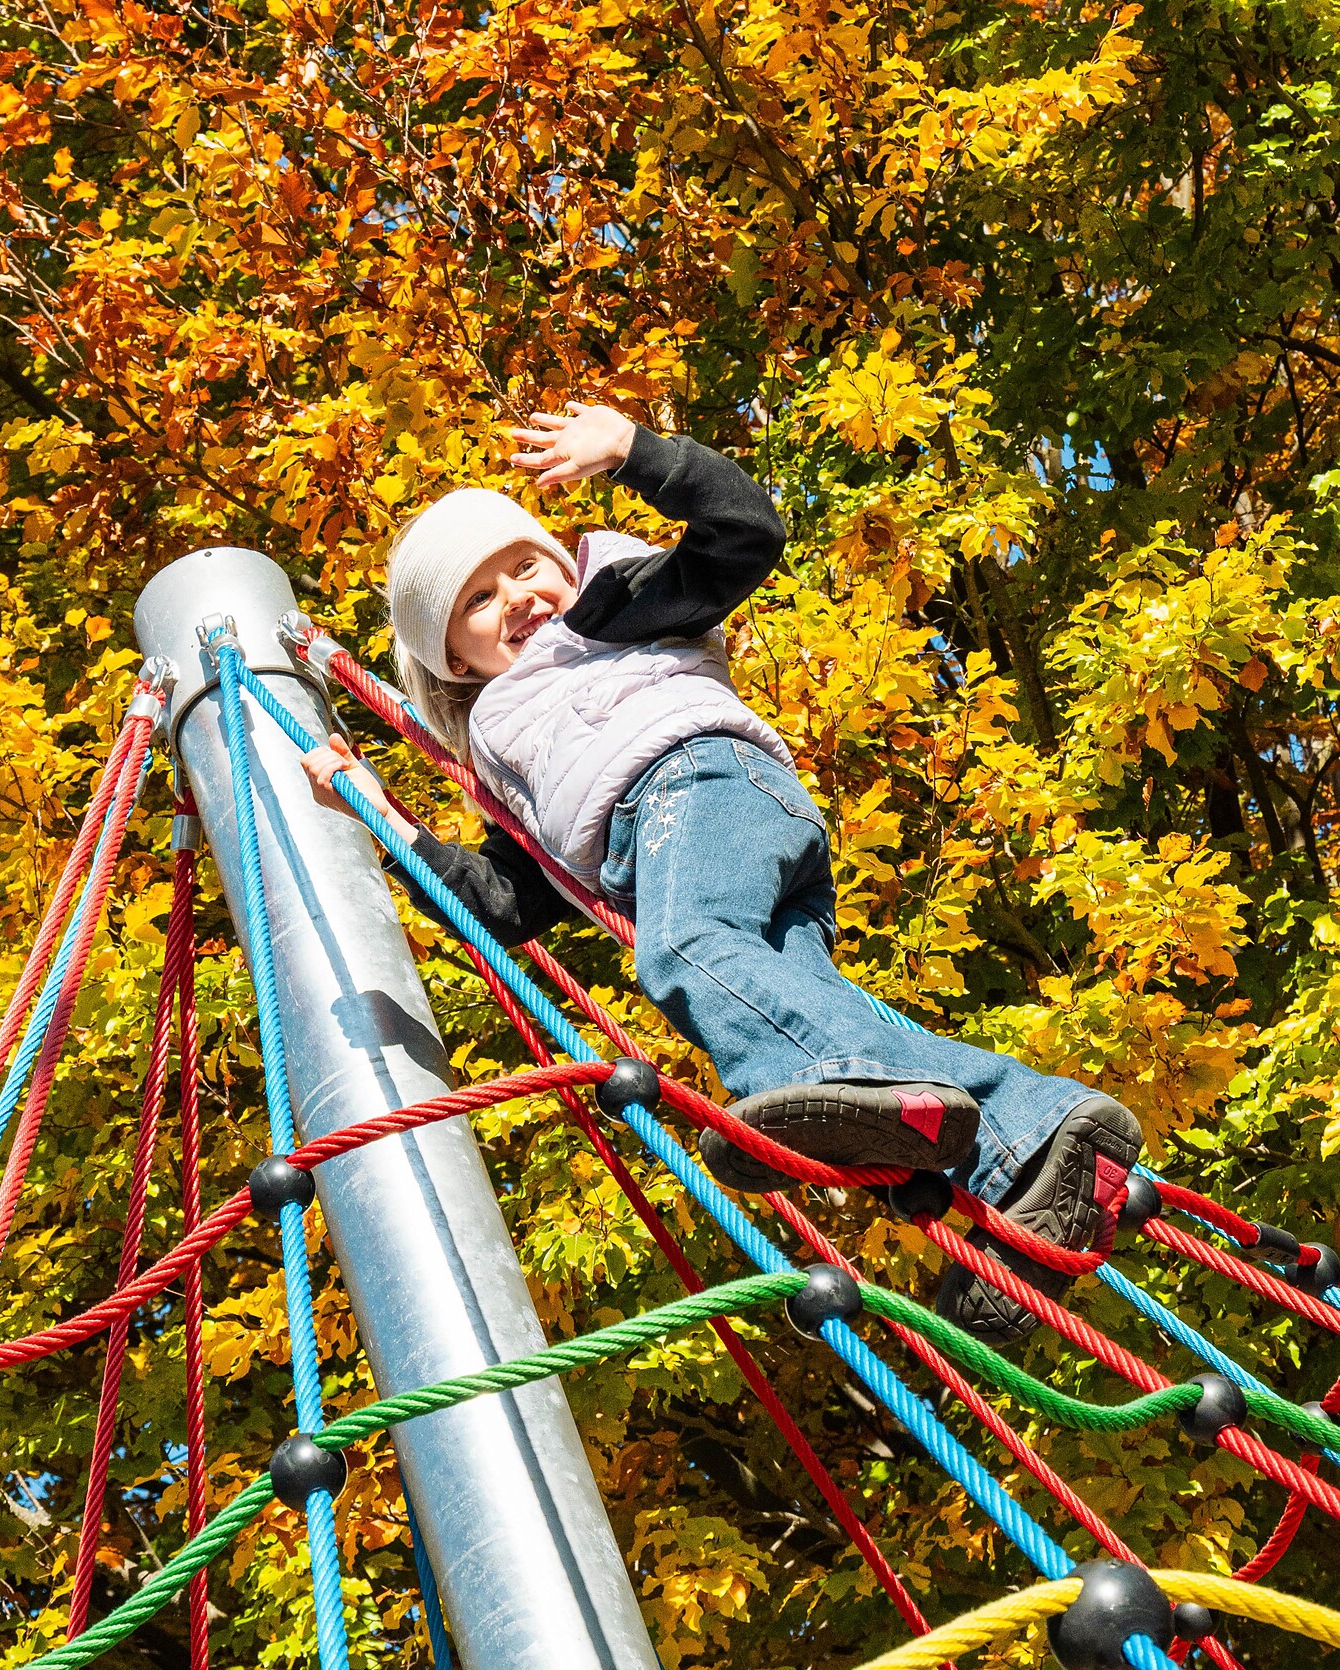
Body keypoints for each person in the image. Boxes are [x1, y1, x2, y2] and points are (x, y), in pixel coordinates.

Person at [301, 401, 1141, 1342]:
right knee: (807, 1009)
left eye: (525, 563)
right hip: (693, 839)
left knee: (688, 951)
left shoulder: (608, 611)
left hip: (698, 786)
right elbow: (499, 899)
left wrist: (634, 453)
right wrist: (378, 814)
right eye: (481, 600)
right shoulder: (505, 749)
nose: (521, 596)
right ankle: (1028, 1164)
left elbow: (744, 536)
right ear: (452, 658)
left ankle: (964, 1110)